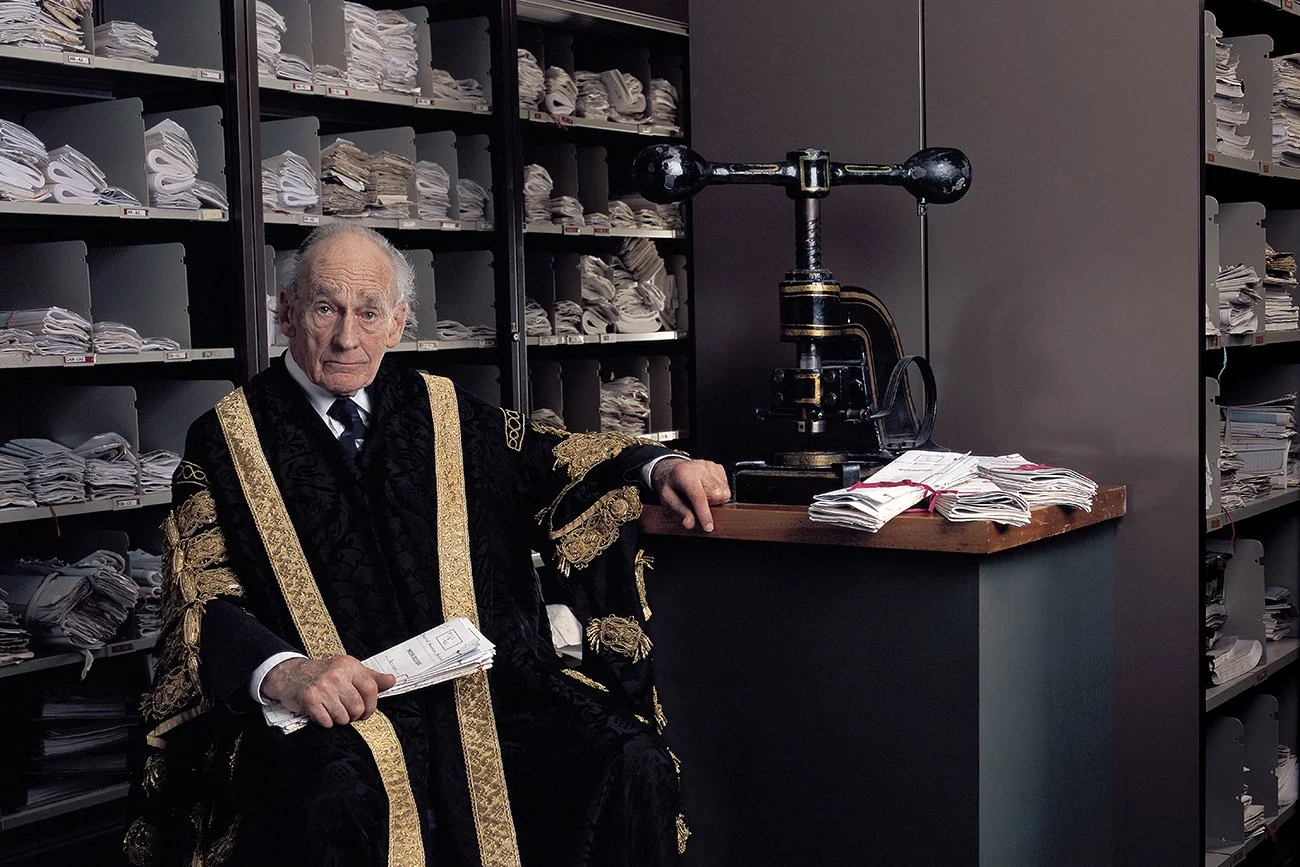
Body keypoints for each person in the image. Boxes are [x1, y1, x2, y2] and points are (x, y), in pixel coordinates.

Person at [125, 223, 730, 867]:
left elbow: (552, 458)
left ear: (398, 322)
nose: (345, 338)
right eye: (325, 309)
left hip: (479, 692)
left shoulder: (441, 410)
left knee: (624, 760)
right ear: (286, 311)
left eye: (368, 312)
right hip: (334, 709)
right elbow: (203, 596)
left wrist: (658, 467)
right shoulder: (226, 437)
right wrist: (283, 672)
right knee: (326, 799)